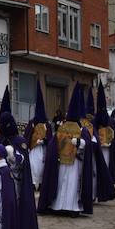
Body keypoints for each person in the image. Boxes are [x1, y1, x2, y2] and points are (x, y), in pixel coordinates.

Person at [38, 84, 94, 216]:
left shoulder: (83, 130)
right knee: (61, 183)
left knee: (73, 184)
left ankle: (72, 207)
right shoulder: (61, 129)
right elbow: (53, 144)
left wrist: (80, 143)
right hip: (61, 162)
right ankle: (58, 206)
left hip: (75, 163)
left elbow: (88, 146)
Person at [0, 88, 39, 229]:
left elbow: (22, 160)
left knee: (15, 206)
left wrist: (13, 156)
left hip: (15, 180)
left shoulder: (19, 140)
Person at [23, 80, 50, 190]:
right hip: (33, 150)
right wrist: (32, 142)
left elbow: (50, 138)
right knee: (33, 166)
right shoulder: (32, 123)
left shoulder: (46, 124)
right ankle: (33, 183)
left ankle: (42, 183)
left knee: (42, 167)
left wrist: (44, 141)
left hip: (43, 150)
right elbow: (27, 135)